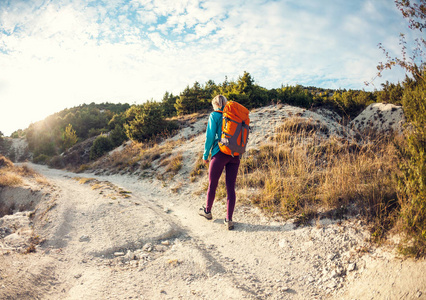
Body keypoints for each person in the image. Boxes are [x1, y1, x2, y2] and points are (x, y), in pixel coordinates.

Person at [199, 95, 241, 230]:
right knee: (230, 187)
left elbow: (210, 136)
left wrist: (205, 154)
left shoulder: (214, 115)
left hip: (219, 153)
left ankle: (207, 211)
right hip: (235, 154)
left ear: (215, 104)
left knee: (213, 184)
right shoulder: (235, 116)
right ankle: (229, 219)